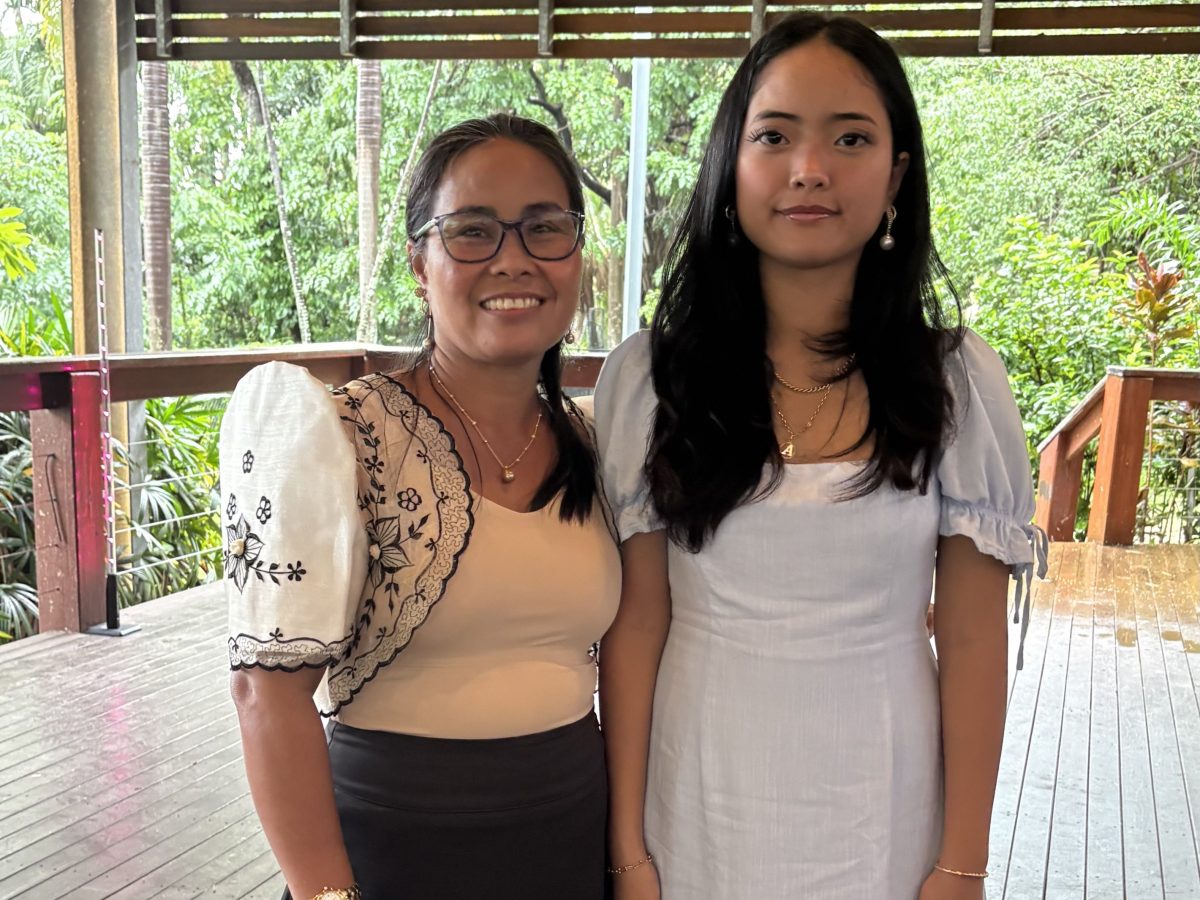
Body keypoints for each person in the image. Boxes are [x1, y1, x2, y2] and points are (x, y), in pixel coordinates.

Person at [594, 14, 1047, 900]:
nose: (810, 169)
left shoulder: (951, 380)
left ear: (896, 177)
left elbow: (970, 638)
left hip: (885, 808)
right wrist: (629, 849)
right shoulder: (652, 379)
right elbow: (638, 627)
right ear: (731, 168)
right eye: (775, 136)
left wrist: (962, 862)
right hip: (696, 803)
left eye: (850, 138)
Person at [220, 113, 620, 900]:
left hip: (569, 838)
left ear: (576, 255)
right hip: (392, 847)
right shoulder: (337, 433)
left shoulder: (598, 444)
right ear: (418, 262)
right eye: (471, 231)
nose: (514, 259)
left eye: (545, 228)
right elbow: (265, 694)